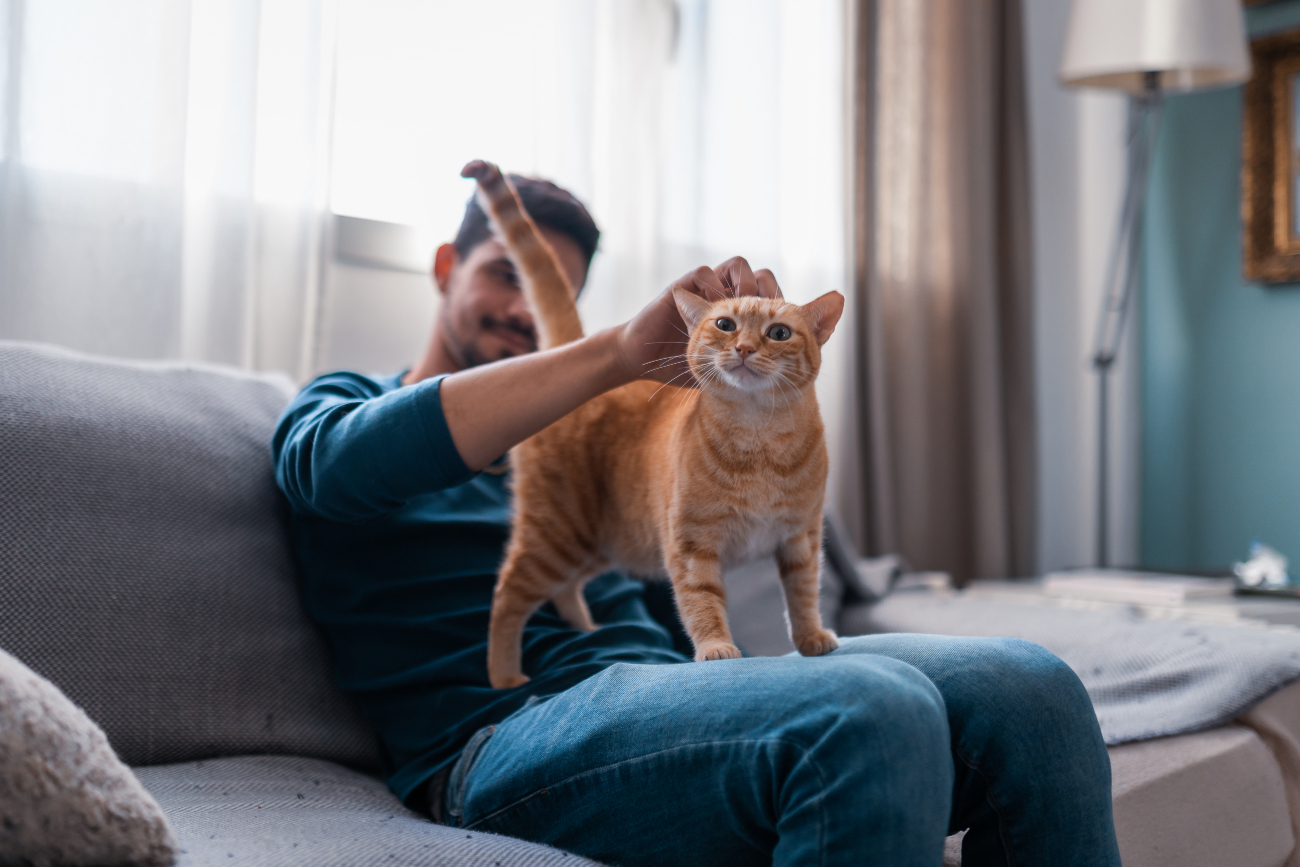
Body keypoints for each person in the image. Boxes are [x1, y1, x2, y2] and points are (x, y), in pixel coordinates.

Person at [271, 176, 1121, 867]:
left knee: (1032, 688)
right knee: (865, 708)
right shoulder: (344, 403)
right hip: (500, 739)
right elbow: (336, 470)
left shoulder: (597, 432)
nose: (530, 310)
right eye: (509, 273)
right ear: (446, 265)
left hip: (672, 688)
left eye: (557, 294)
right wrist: (604, 357)